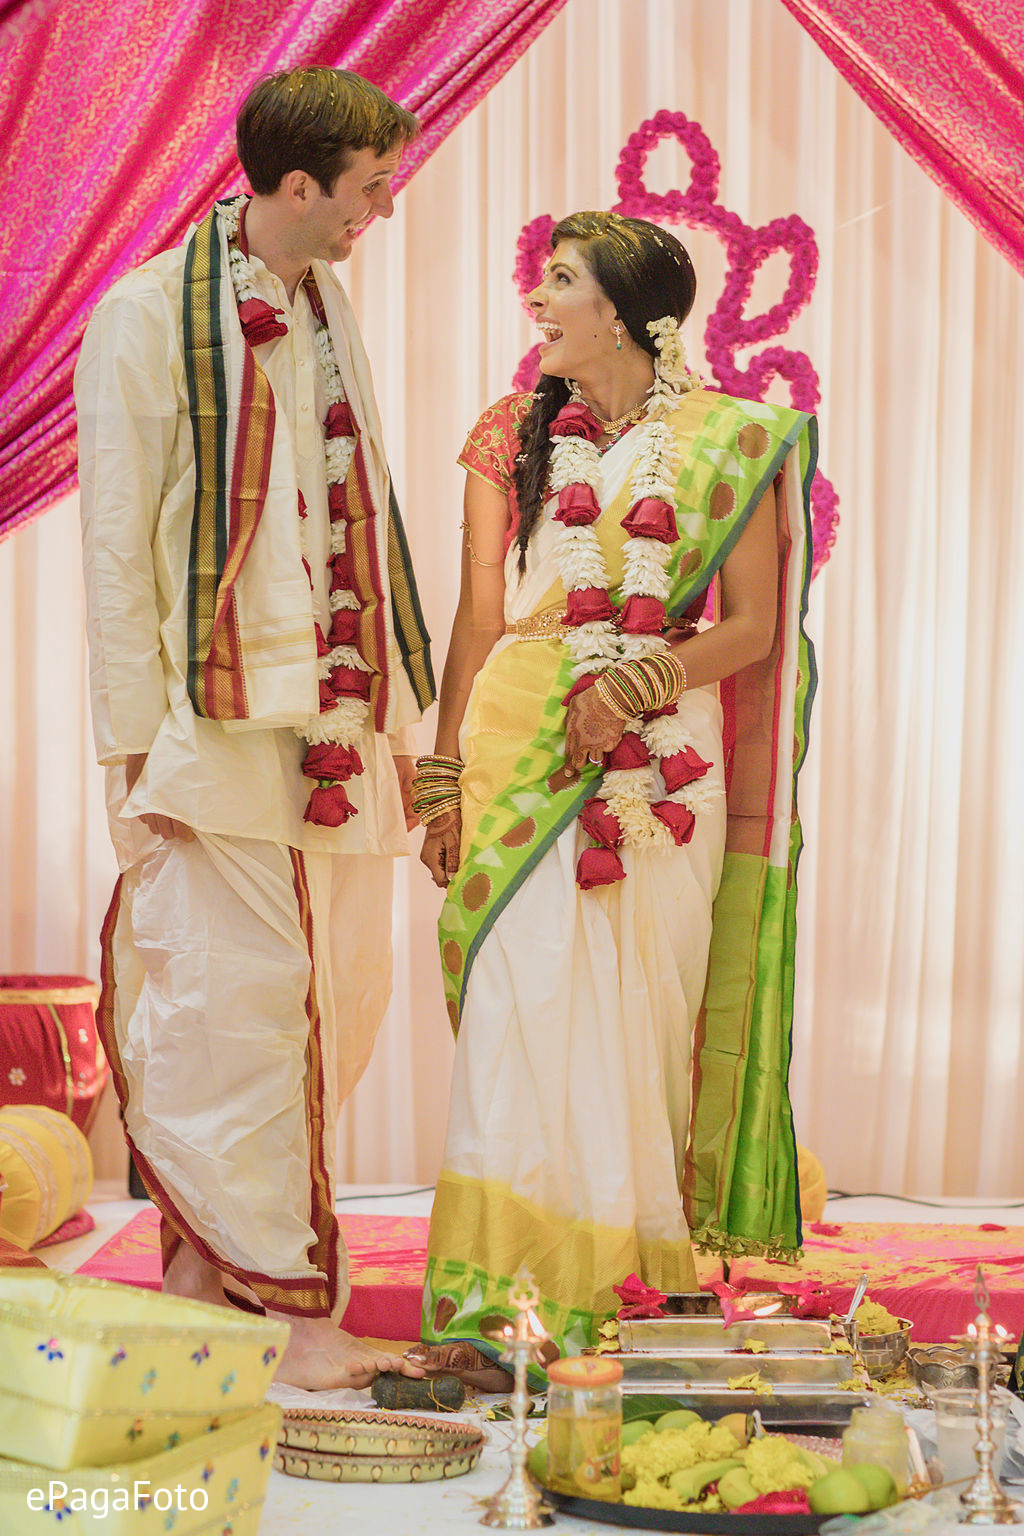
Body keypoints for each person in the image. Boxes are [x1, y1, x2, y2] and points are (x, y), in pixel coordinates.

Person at [408, 212, 816, 1385]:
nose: (535, 297)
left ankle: (621, 1310)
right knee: (514, 1009)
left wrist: (632, 681)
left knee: (630, 1015)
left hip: (650, 754)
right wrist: (442, 775)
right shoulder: (509, 435)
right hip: (517, 735)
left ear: (636, 314)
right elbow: (481, 617)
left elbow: (744, 625)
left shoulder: (730, 439)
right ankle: (496, 1321)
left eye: (562, 280)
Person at [76, 68, 434, 1390]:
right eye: (369, 190)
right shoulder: (143, 319)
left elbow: (360, 501)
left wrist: (399, 719)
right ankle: (286, 1320)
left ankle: (204, 1285)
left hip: (326, 721)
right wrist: (129, 752)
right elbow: (119, 541)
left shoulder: (323, 306)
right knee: (238, 1011)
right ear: (300, 187)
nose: (380, 214)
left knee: (332, 1001)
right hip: (208, 733)